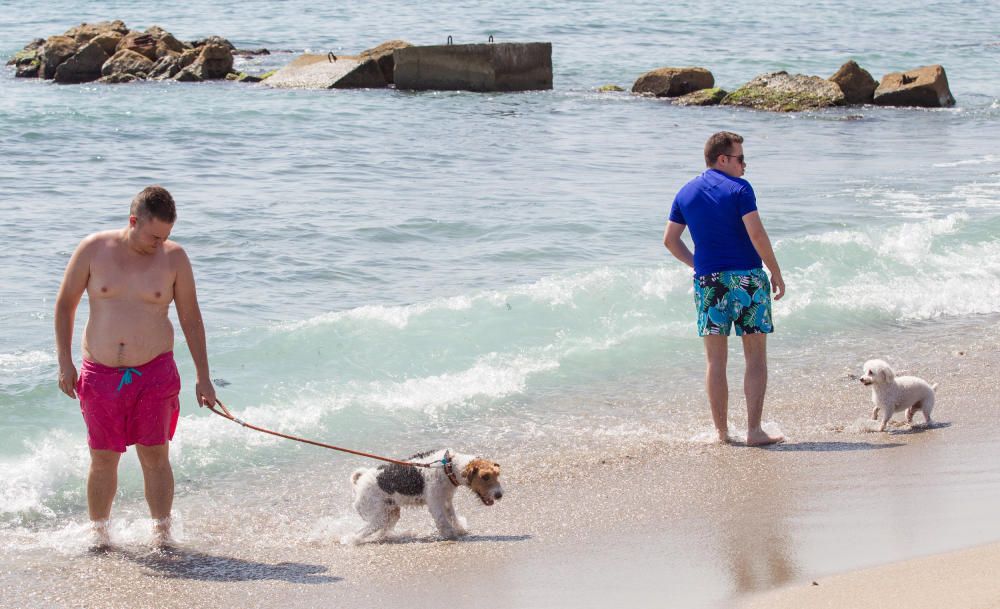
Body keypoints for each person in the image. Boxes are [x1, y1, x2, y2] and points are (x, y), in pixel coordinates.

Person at [55, 185, 216, 546]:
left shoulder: (175, 259)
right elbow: (65, 304)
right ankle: (99, 537)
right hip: (100, 373)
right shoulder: (94, 249)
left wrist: (203, 377)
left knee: (156, 456)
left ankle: (162, 535)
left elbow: (191, 318)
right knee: (102, 459)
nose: (160, 243)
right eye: (154, 236)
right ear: (133, 221)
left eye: (167, 237)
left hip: (155, 372)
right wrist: (65, 363)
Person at [663, 132, 785, 446]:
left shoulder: (685, 192)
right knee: (755, 359)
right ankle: (754, 432)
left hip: (709, 282)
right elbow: (756, 234)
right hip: (746, 277)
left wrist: (697, 265)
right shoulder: (740, 189)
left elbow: (670, 240)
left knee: (715, 362)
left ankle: (721, 434)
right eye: (740, 158)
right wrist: (776, 270)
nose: (745, 165)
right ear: (723, 159)